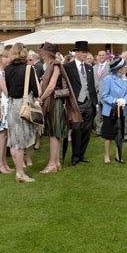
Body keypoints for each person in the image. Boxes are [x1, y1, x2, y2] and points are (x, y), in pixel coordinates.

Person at [39, 42, 81, 173]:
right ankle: (56, 163)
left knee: (53, 133)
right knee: (55, 134)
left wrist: (41, 98)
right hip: (53, 102)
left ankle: (52, 164)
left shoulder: (55, 65)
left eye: (42, 52)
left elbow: (51, 86)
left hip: (54, 102)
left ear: (47, 54)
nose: (41, 54)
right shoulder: (52, 65)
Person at [5, 43, 40, 183]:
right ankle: (20, 173)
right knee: (21, 141)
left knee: (14, 140)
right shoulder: (28, 69)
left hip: (12, 104)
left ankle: (19, 170)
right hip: (24, 105)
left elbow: (8, 89)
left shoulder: (7, 69)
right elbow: (37, 91)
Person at [63, 41, 98, 166]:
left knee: (87, 130)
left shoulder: (89, 68)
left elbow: (92, 87)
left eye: (86, 52)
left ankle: (81, 154)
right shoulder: (68, 67)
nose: (85, 55)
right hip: (75, 104)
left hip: (89, 103)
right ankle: (75, 156)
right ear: (76, 53)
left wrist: (95, 103)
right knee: (76, 130)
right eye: (83, 52)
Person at [100, 57, 127, 164]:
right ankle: (106, 155)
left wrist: (124, 101)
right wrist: (116, 100)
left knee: (120, 134)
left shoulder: (124, 79)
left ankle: (118, 155)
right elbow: (104, 95)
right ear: (119, 69)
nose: (126, 68)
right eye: (124, 67)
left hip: (121, 110)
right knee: (108, 135)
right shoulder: (108, 79)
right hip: (110, 111)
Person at [0, 48, 13, 174]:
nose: (8, 59)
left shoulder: (3, 72)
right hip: (3, 106)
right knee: (2, 135)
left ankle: (3, 162)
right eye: (6, 57)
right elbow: (5, 90)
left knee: (4, 135)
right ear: (0, 59)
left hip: (5, 104)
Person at [94, 50, 110, 136]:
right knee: (98, 113)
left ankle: (106, 129)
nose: (101, 57)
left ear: (106, 56)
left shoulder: (110, 67)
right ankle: (98, 130)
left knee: (106, 113)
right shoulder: (94, 67)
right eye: (99, 55)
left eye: (103, 55)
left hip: (106, 94)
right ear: (97, 57)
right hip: (96, 94)